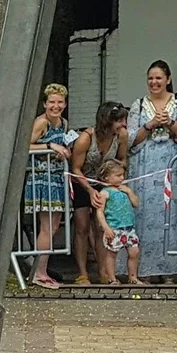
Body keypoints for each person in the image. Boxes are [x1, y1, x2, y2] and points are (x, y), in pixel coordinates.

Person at [128, 60, 177, 282]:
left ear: (168, 79)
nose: (154, 82)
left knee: (172, 214)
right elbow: (130, 140)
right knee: (145, 214)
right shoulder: (138, 104)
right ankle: (144, 270)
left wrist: (170, 122)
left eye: (158, 78)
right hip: (145, 167)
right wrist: (150, 124)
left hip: (174, 167)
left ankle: (169, 270)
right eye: (150, 78)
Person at [68, 102, 129, 284]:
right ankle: (83, 273)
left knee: (101, 226)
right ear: (107, 121)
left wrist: (116, 173)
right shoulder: (86, 138)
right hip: (82, 182)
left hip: (104, 183)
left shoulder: (121, 136)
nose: (123, 124)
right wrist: (89, 189)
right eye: (119, 121)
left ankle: (104, 272)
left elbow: (122, 158)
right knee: (82, 226)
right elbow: (76, 168)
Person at [23, 84, 72, 288]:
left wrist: (64, 152)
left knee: (53, 227)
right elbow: (25, 146)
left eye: (60, 102)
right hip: (42, 178)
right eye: (52, 102)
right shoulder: (41, 122)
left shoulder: (63, 123)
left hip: (57, 177)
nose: (56, 106)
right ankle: (38, 272)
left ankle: (42, 270)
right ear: (45, 103)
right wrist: (50, 146)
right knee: (47, 227)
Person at [95, 160, 142, 285]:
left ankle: (133, 277)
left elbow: (136, 203)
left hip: (129, 228)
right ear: (106, 177)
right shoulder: (104, 193)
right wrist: (106, 227)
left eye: (122, 175)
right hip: (114, 228)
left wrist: (129, 192)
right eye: (118, 175)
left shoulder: (125, 190)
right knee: (111, 254)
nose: (122, 178)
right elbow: (99, 212)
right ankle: (111, 278)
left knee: (134, 252)